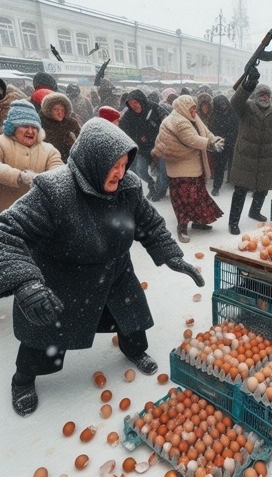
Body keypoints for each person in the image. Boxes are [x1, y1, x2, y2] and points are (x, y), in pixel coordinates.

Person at [0, 117, 204, 417]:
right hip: (63, 279)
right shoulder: (54, 191)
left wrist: (171, 254)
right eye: (113, 165)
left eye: (124, 165)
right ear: (93, 161)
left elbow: (149, 224)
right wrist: (26, 282)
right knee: (45, 336)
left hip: (115, 272)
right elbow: (6, 232)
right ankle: (23, 380)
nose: (120, 174)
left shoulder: (129, 187)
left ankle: (134, 351)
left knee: (131, 318)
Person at [227, 67, 272, 235]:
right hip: (246, 156)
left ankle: (254, 211)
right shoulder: (246, 108)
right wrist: (248, 85)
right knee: (241, 190)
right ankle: (233, 222)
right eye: (261, 95)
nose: (265, 97)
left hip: (266, 155)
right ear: (256, 96)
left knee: (262, 187)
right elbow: (234, 102)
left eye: (267, 95)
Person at [152, 95, 224, 243]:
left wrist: (214, 139)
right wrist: (209, 145)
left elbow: (205, 131)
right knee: (183, 200)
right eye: (191, 110)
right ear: (183, 109)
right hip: (180, 170)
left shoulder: (192, 117)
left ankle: (197, 221)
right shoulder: (177, 121)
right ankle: (182, 227)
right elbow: (191, 139)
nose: (193, 112)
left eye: (194, 109)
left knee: (197, 197)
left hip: (194, 167)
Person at [0, 100, 63, 212]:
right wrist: (20, 176)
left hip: (35, 220)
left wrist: (45, 180)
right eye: (24, 126)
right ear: (12, 128)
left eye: (34, 127)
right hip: (3, 216)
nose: (30, 131)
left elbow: (59, 172)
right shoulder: (2, 143)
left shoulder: (49, 150)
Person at [119, 89, 169, 202]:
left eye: (135, 102)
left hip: (160, 146)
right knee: (140, 170)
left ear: (141, 100)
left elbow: (168, 122)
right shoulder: (128, 115)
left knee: (163, 171)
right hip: (142, 148)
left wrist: (153, 136)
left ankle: (160, 190)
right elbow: (123, 131)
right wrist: (137, 138)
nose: (134, 106)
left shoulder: (155, 108)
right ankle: (151, 184)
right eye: (131, 104)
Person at [208, 94, 239, 196]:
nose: (223, 106)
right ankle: (216, 187)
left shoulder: (233, 113)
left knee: (234, 165)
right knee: (219, 167)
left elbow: (237, 128)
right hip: (220, 143)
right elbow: (212, 130)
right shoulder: (214, 115)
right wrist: (219, 139)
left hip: (232, 142)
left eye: (224, 104)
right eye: (221, 104)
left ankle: (234, 182)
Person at [39, 92, 81, 163]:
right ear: (49, 110)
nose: (60, 113)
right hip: (47, 163)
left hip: (68, 164)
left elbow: (80, 144)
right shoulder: (41, 123)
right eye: (55, 109)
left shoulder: (72, 124)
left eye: (62, 110)